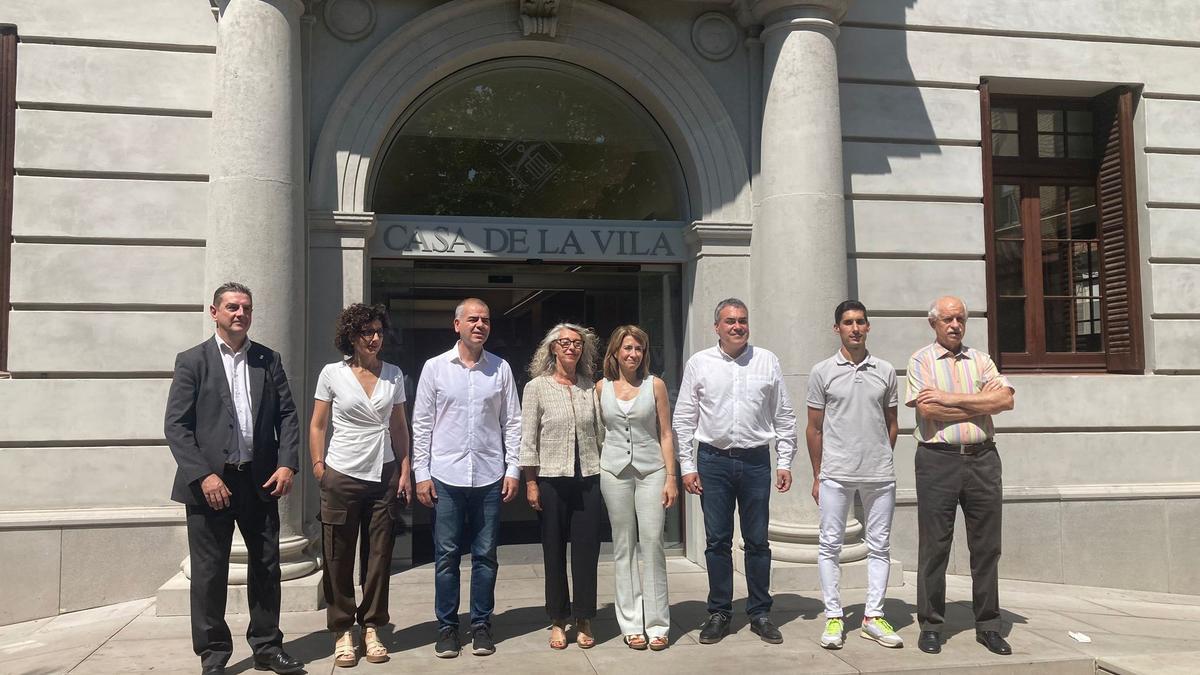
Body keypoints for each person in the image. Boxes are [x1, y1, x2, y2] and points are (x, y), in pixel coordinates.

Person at [164, 282, 304, 675]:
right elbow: (176, 426)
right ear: (214, 312)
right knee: (209, 574)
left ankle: (267, 647)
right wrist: (204, 476)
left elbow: (288, 416)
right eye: (231, 307)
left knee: (267, 566)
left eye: (246, 307)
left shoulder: (267, 359)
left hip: (259, 481)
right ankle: (213, 656)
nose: (239, 313)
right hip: (211, 485)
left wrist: (287, 463)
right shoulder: (193, 361)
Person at [674, 298, 796, 645]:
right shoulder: (700, 363)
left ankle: (759, 612)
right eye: (730, 321)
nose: (737, 326)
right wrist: (687, 466)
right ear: (717, 327)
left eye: (742, 320)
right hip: (713, 462)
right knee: (717, 541)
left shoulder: (767, 360)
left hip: (757, 461)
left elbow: (784, 415)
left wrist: (784, 460)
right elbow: (685, 419)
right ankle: (720, 612)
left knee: (758, 541)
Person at [411, 298, 522, 659]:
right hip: (445, 476)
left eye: (486, 320)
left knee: (486, 556)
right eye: (473, 319)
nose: (480, 325)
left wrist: (514, 469)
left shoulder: (500, 369)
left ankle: (481, 625)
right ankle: (446, 628)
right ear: (456, 324)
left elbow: (513, 423)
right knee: (445, 557)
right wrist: (421, 473)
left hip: (490, 476)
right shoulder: (435, 368)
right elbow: (422, 424)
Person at [907, 296, 1015, 656]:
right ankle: (932, 624)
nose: (955, 325)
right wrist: (977, 403)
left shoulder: (981, 360)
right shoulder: (920, 361)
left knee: (987, 547)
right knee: (934, 546)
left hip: (983, 459)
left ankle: (988, 625)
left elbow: (1005, 402)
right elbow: (927, 409)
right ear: (933, 323)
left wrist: (950, 398)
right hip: (937, 460)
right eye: (948, 319)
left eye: (961, 319)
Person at [309, 303, 412, 667]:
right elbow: (318, 424)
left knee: (379, 555)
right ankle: (341, 629)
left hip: (382, 473)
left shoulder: (394, 374)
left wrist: (405, 469)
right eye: (367, 331)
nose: (374, 338)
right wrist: (320, 468)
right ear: (351, 336)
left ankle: (372, 626)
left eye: (379, 331)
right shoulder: (332, 373)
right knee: (338, 555)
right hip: (341, 473)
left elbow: (399, 427)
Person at [806, 301, 902, 650]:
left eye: (861, 322)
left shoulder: (886, 370)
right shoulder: (822, 371)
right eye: (848, 322)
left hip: (879, 473)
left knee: (879, 547)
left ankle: (873, 616)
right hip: (835, 472)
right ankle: (834, 615)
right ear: (838, 329)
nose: (855, 328)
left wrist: (876, 453)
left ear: (868, 327)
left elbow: (891, 423)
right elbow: (813, 428)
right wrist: (818, 475)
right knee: (830, 545)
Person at [519, 323, 604, 650]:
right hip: (551, 479)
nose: (572, 347)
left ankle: (583, 618)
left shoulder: (588, 387)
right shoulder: (536, 388)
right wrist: (530, 482)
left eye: (577, 343)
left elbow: (600, 434)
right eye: (565, 342)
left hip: (588, 479)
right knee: (553, 550)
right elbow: (528, 439)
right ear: (553, 347)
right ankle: (557, 619)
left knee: (587, 552)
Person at [596, 325, 678, 651]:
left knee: (653, 542)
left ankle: (658, 622)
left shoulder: (655, 385)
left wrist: (672, 476)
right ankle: (631, 623)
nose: (633, 354)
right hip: (614, 472)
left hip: (651, 471)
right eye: (627, 348)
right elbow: (597, 433)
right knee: (623, 545)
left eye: (639, 349)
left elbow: (666, 433)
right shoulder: (600, 387)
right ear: (615, 352)